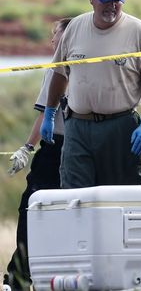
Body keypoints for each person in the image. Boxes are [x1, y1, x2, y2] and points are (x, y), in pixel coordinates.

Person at [40, 0, 141, 188]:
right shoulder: (75, 27)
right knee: (75, 195)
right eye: (106, 0)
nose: (112, 6)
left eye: (117, 1)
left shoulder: (139, 31)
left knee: (121, 194)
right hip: (77, 127)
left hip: (119, 127)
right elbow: (59, 74)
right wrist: (49, 112)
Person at [3, 18, 71, 291]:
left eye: (56, 35)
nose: (52, 40)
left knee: (31, 207)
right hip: (81, 146)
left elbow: (45, 111)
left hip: (58, 148)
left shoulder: (57, 66)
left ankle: (18, 277)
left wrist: (27, 148)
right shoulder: (91, 61)